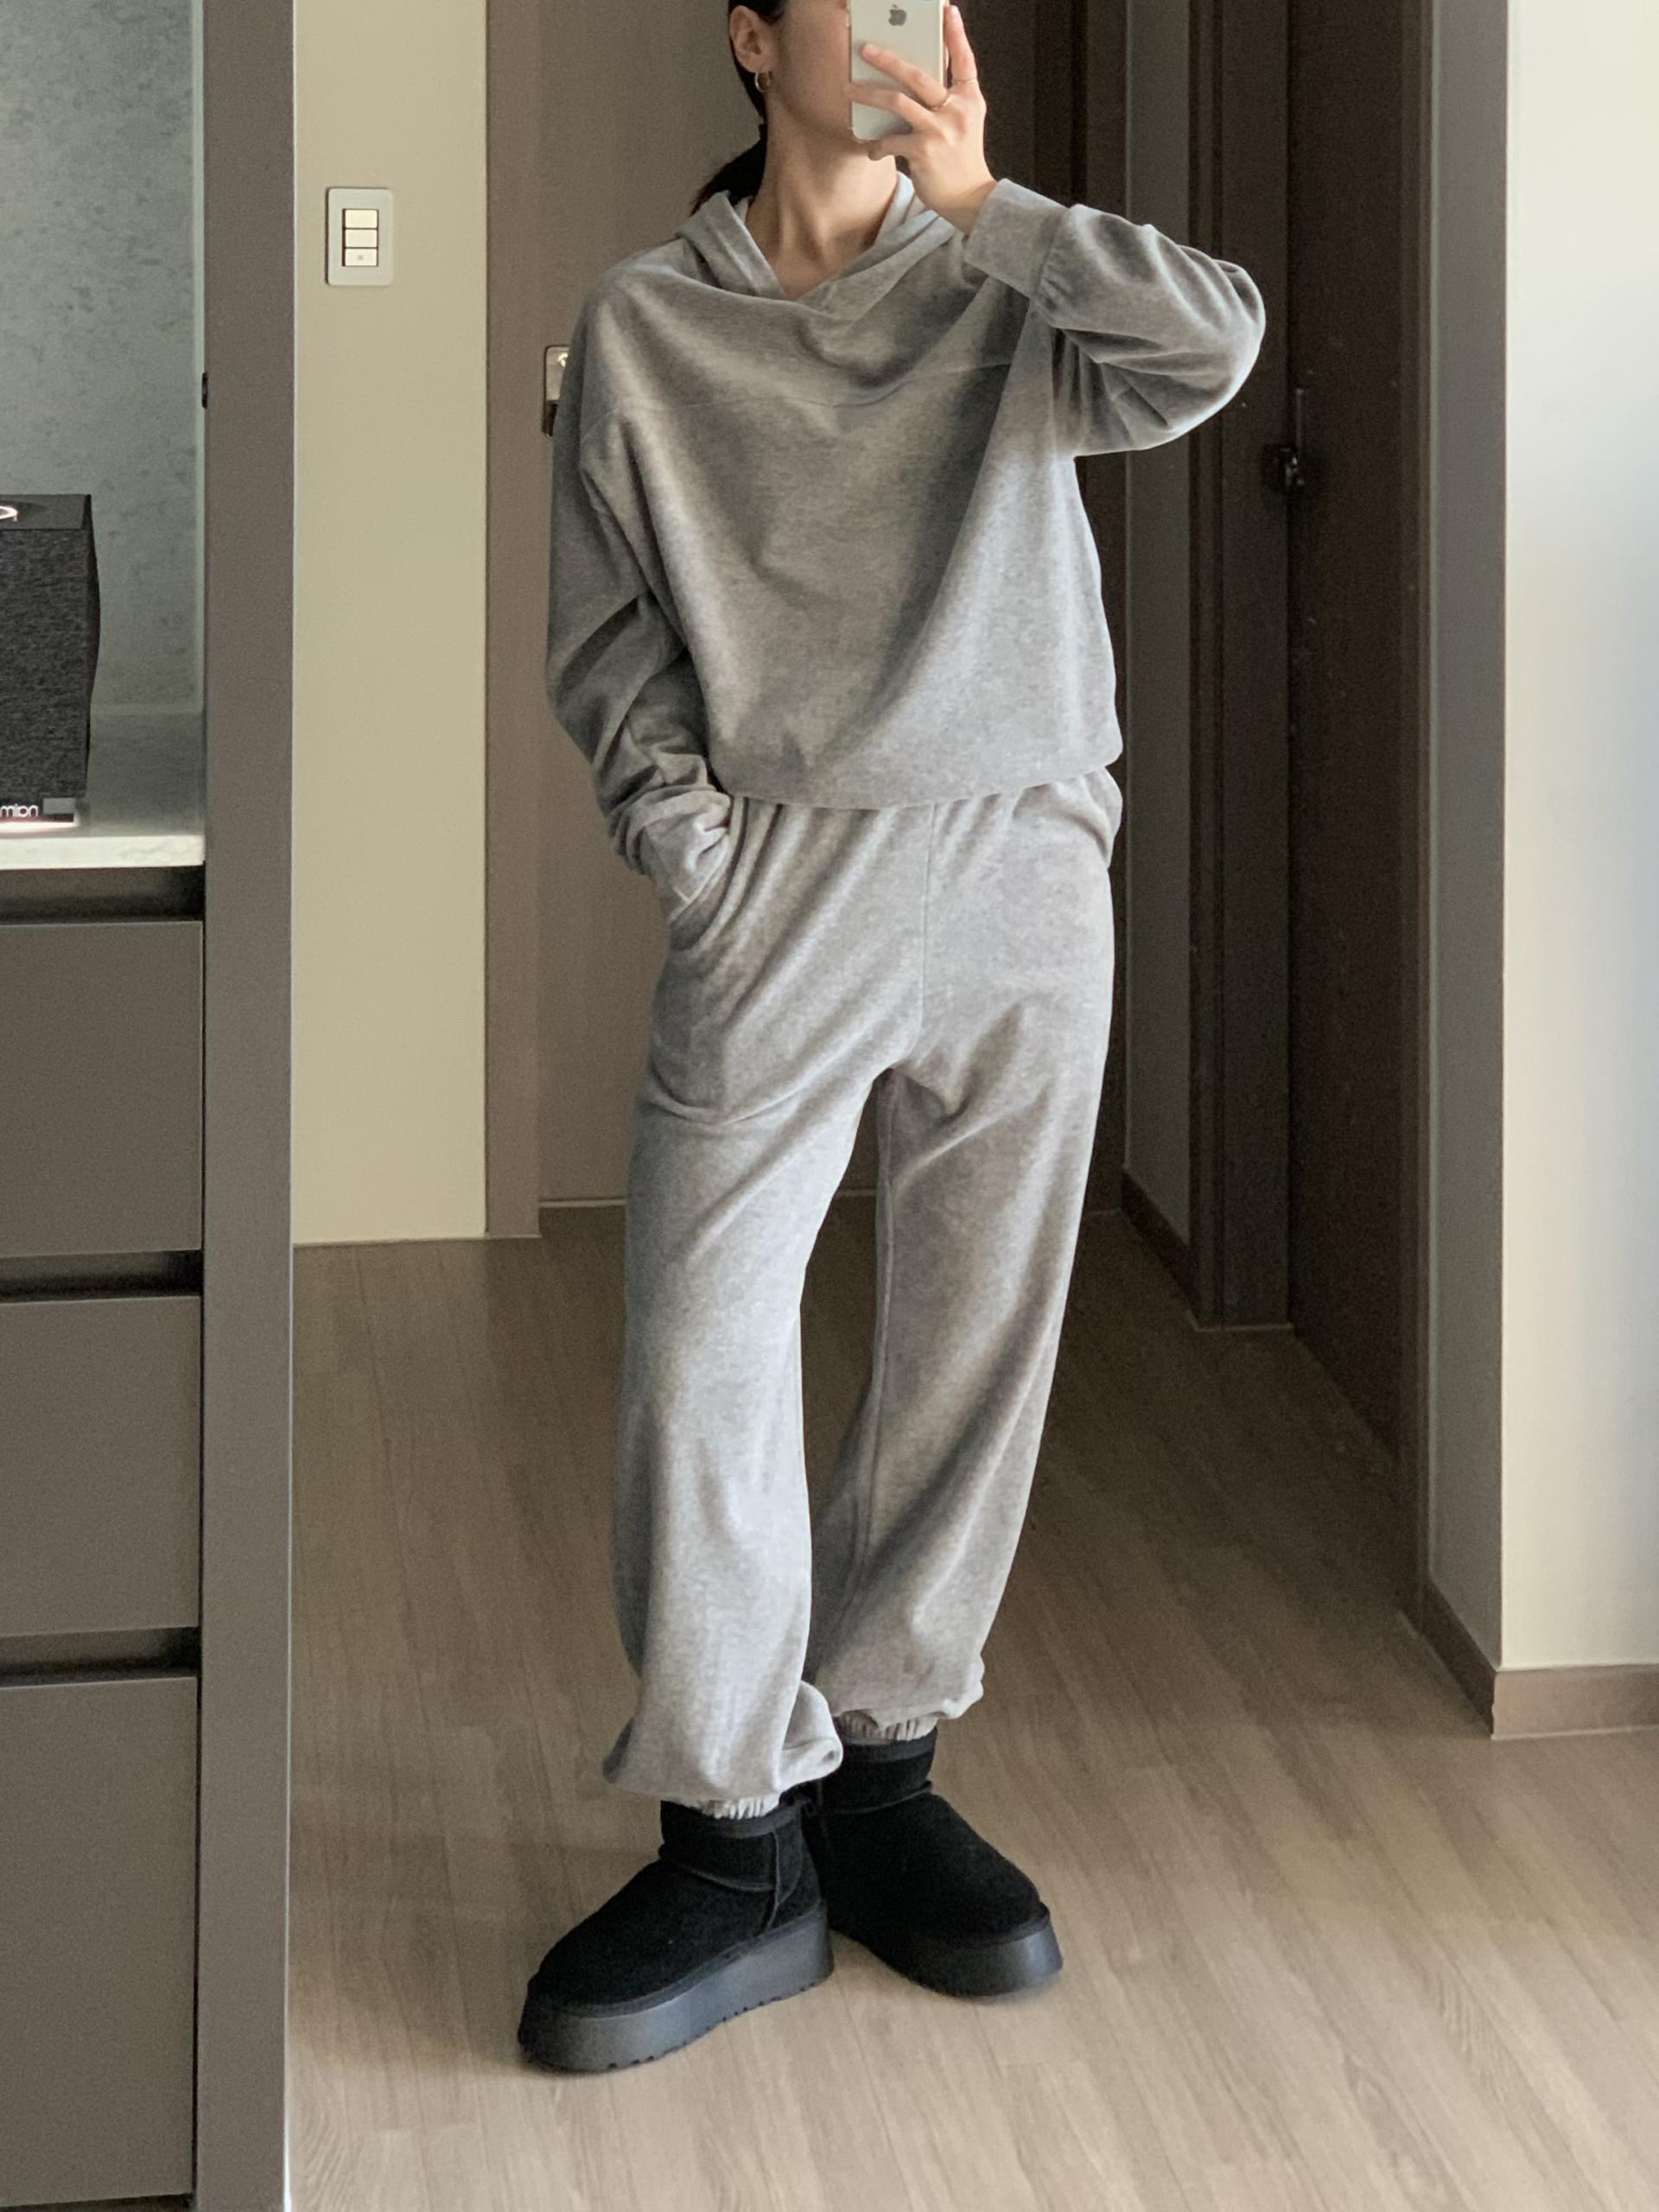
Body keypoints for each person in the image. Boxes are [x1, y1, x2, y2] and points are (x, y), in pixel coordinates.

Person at [518, 0, 1265, 2073]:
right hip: (784, 886)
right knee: (700, 1343)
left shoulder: (1009, 284)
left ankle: (882, 1756)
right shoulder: (649, 327)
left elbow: (1211, 347)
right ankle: (729, 1824)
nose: (919, 14)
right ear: (755, 41)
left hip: (1020, 860)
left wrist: (996, 206)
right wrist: (701, 855)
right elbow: (607, 634)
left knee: (971, 1332)